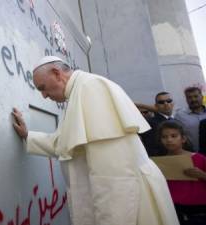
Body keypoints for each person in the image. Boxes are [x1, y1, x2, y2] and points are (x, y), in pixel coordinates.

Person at [11, 56, 179, 225]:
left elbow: (114, 181)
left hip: (127, 206)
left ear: (57, 74)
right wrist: (28, 135)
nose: (44, 96)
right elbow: (63, 144)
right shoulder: (80, 91)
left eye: (43, 88)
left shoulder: (91, 89)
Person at [157, 120, 206, 224]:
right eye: (164, 137)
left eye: (174, 136)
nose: (169, 140)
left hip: (198, 212)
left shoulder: (199, 158)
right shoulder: (159, 163)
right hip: (173, 210)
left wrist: (202, 175)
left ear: (183, 139)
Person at [140, 92, 176, 156]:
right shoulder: (151, 123)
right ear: (156, 105)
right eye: (161, 102)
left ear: (173, 103)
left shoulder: (177, 120)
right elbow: (151, 147)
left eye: (169, 101)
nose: (166, 104)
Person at [175, 87, 206, 152]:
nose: (193, 99)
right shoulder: (180, 116)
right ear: (186, 99)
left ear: (202, 97)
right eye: (189, 97)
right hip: (192, 154)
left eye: (196, 96)